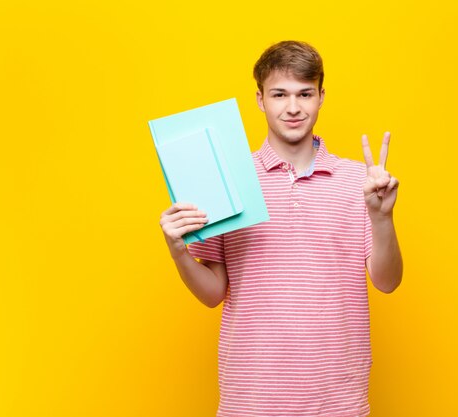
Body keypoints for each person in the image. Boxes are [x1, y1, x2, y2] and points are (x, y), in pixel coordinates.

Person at [159, 40, 403, 417]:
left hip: (338, 400)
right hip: (251, 399)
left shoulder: (360, 181)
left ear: (321, 96)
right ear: (260, 99)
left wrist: (382, 218)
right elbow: (212, 293)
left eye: (305, 93)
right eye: (279, 94)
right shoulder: (227, 180)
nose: (293, 107)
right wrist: (178, 250)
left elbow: (387, 281)